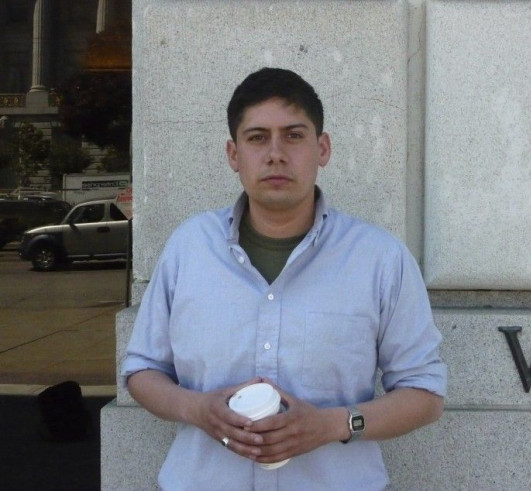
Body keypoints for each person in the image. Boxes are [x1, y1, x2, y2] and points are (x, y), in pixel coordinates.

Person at [122, 67, 447, 490]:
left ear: (323, 148)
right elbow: (142, 369)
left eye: (294, 135)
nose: (275, 154)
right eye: (257, 138)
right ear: (233, 154)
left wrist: (334, 425)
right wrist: (196, 408)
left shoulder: (379, 258)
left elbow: (424, 394)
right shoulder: (189, 248)